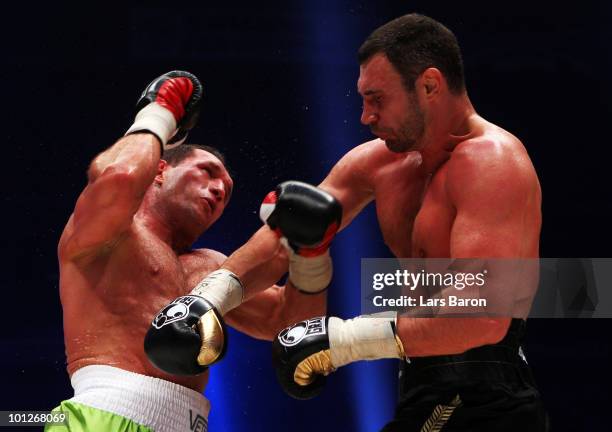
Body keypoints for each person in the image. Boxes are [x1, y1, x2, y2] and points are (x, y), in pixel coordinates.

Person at [272, 14, 548, 431]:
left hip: (478, 389)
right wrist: (209, 296)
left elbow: (484, 315)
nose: (365, 116)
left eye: (377, 98)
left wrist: (344, 341)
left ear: (430, 85)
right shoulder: (382, 165)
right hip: (428, 383)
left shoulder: (490, 160)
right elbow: (286, 234)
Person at [48, 71, 339, 432]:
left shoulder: (211, 268)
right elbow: (119, 175)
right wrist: (159, 114)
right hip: (103, 418)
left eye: (227, 190)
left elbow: (292, 328)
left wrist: (311, 257)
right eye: (207, 172)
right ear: (158, 171)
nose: (219, 189)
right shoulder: (109, 233)